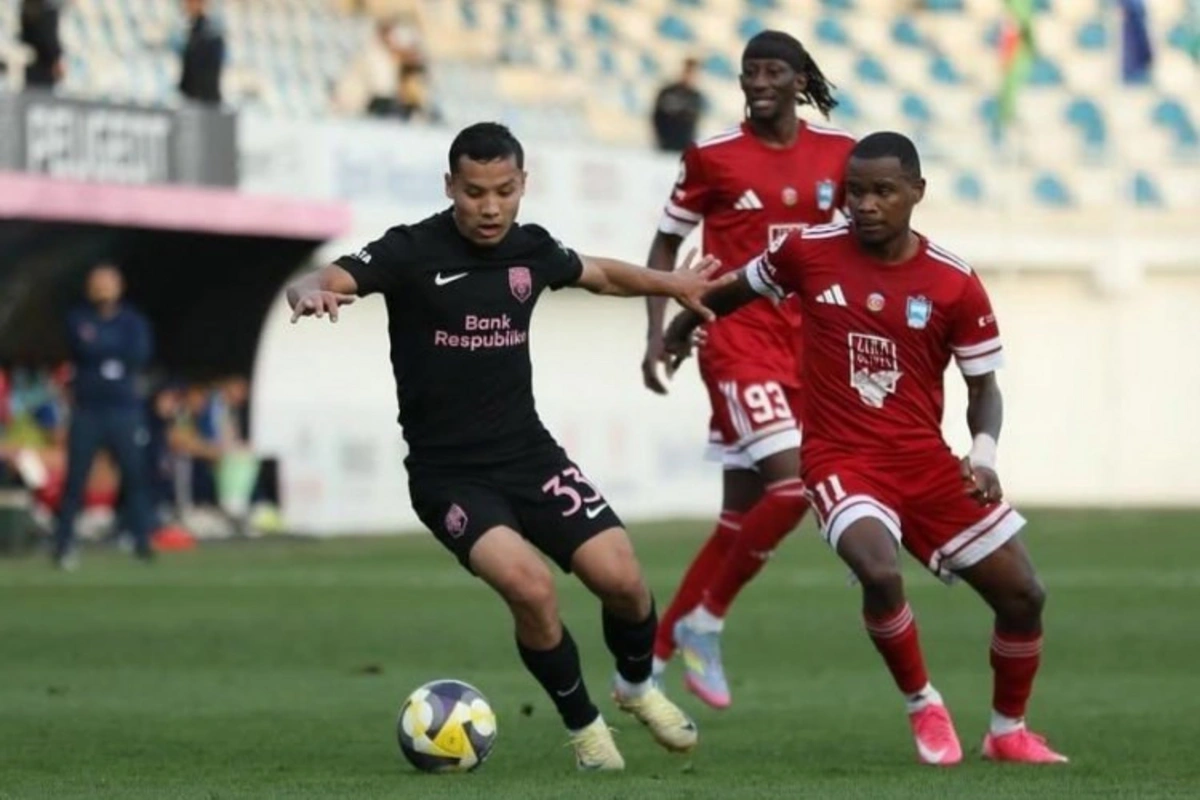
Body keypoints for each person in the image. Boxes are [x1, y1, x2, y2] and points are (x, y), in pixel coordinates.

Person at [285, 122, 723, 772]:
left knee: (624, 580)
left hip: (529, 456)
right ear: (450, 187)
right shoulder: (411, 250)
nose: (490, 207)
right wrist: (309, 292)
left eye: (504, 191)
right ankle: (586, 728)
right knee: (532, 588)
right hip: (449, 477)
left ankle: (635, 686)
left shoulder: (531, 249)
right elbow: (328, 275)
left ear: (522, 185)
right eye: (474, 192)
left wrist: (672, 284)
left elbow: (600, 275)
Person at [663, 131, 1068, 765]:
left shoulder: (954, 282)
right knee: (879, 571)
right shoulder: (808, 251)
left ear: (917, 192)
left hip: (926, 464)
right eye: (855, 192)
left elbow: (983, 387)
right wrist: (681, 327)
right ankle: (923, 702)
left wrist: (984, 455)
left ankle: (1006, 730)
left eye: (883, 191)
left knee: (1024, 595)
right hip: (841, 460)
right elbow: (740, 288)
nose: (866, 205)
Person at [643, 29, 856, 708]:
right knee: (791, 489)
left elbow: (859, 246)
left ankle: (645, 665)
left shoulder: (840, 155)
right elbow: (664, 243)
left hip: (809, 348)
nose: (759, 83)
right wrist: (656, 332)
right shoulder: (712, 157)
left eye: (773, 72)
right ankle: (706, 624)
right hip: (734, 339)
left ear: (800, 81)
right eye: (749, 72)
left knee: (739, 517)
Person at [53, 265, 156, 569]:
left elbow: (138, 354)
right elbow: (84, 349)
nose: (102, 289)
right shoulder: (78, 319)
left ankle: (140, 539)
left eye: (107, 283)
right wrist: (109, 354)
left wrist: (104, 351)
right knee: (76, 478)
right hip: (88, 410)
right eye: (97, 284)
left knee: (134, 475)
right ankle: (64, 542)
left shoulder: (133, 321)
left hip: (124, 410)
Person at [651, 57, 705, 153]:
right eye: (688, 72)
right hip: (665, 146)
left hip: (684, 147)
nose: (690, 76)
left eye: (694, 73)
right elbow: (657, 116)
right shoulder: (668, 92)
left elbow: (694, 122)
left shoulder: (695, 96)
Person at [178, 0, 224, 105]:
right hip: (194, 99)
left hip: (203, 100)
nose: (187, 6)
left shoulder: (210, 34)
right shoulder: (192, 31)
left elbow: (206, 73)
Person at [20, 0, 64, 90]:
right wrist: (56, 58)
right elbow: (49, 40)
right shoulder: (48, 12)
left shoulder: (27, 9)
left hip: (33, 66)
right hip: (44, 66)